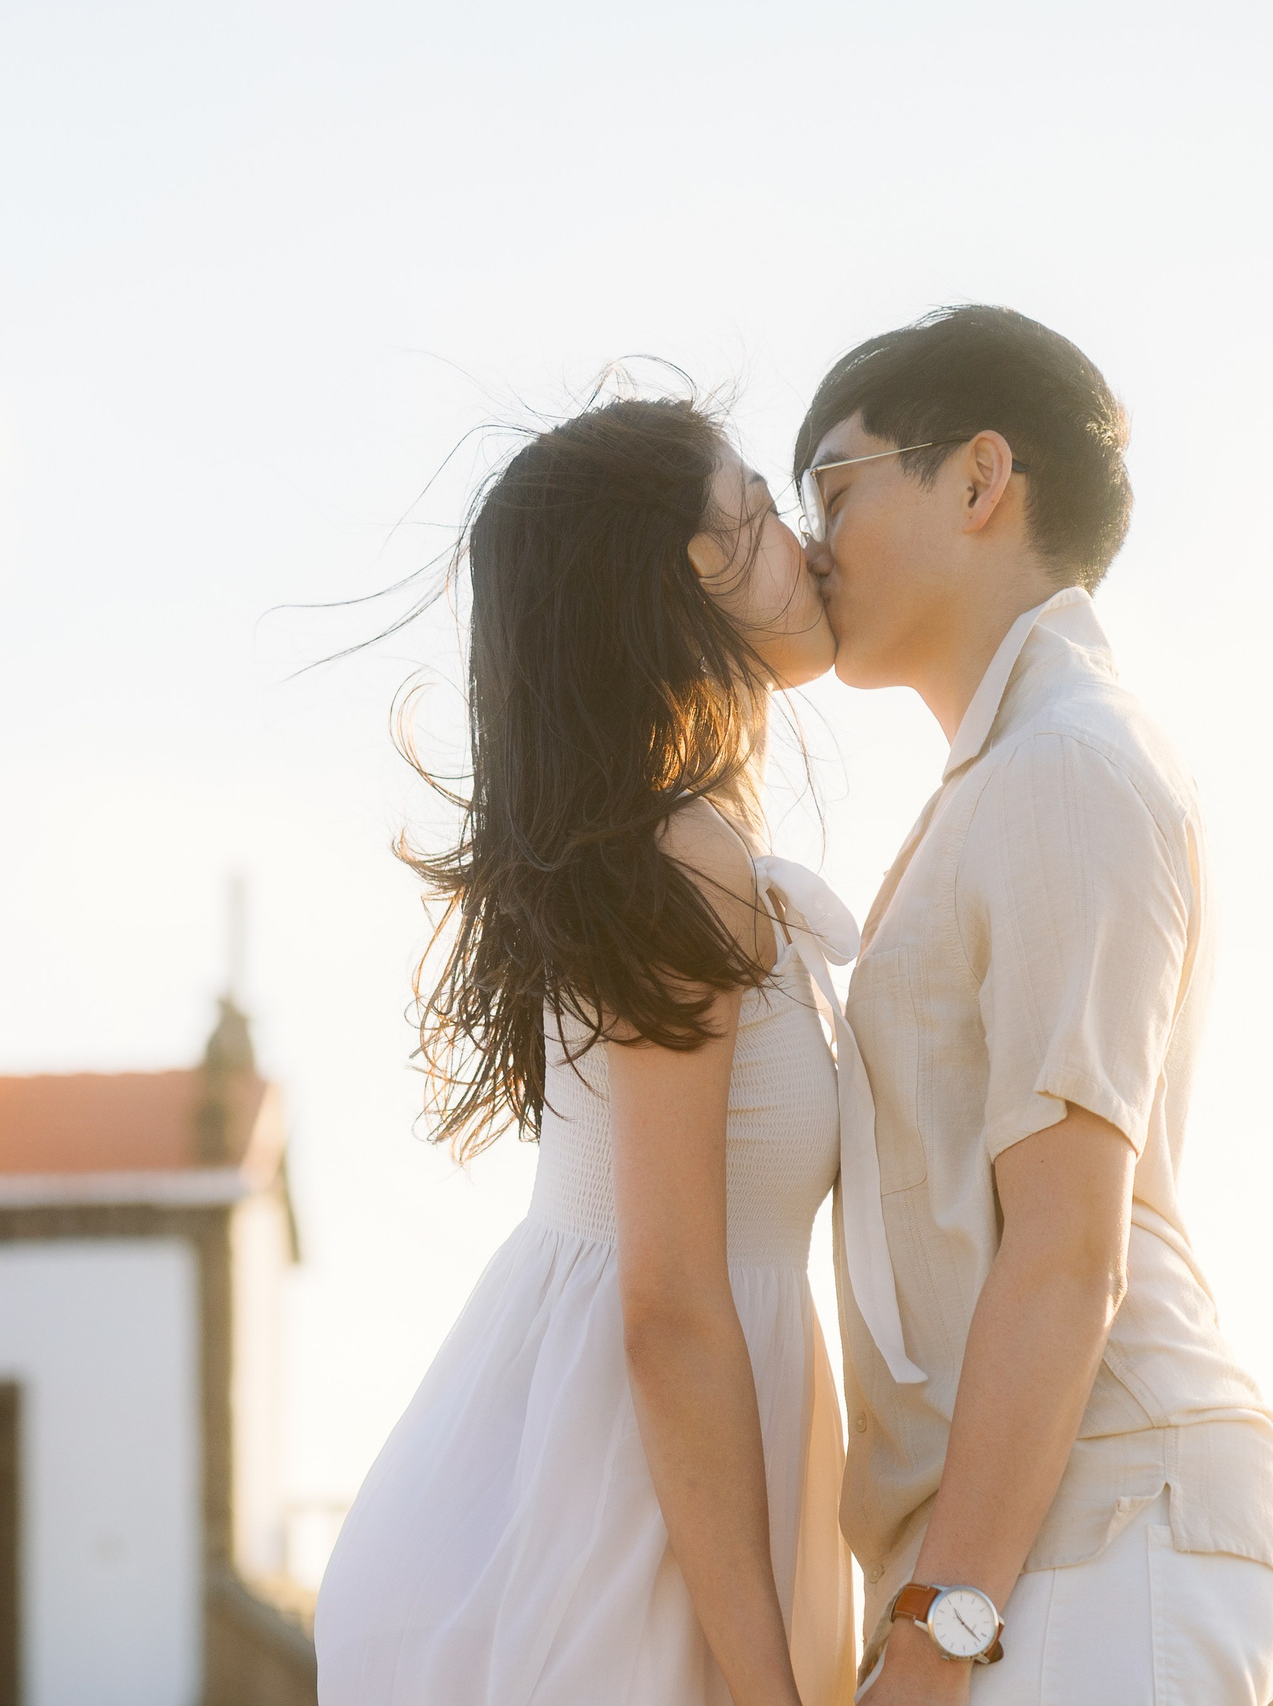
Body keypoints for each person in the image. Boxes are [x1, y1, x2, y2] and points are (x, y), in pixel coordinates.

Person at [314, 396, 872, 1706]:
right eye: (757, 513)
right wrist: (763, 1689)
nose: (803, 541)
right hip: (618, 1517)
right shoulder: (687, 864)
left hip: (626, 1489)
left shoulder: (673, 854)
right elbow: (669, 1304)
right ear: (688, 579)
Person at [790, 306, 1273, 1704]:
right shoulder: (1005, 775)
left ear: (977, 479)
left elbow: (1071, 1248)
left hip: (1106, 1522)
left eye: (834, 488)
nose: (810, 542)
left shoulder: (1068, 763)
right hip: (1042, 1540)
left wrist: (937, 1629)